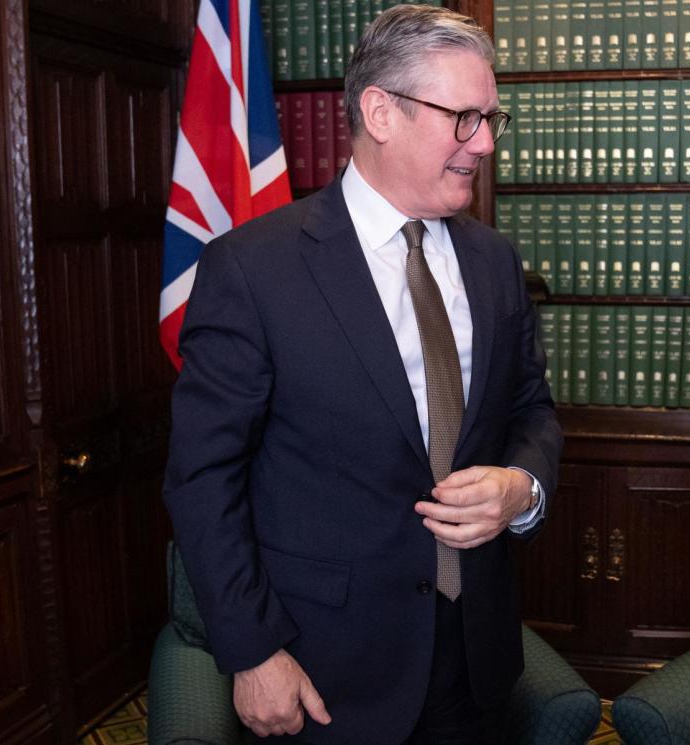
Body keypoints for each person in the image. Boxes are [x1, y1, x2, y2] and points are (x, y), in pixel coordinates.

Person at [162, 6, 562, 743]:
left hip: (475, 658)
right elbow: (202, 479)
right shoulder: (254, 269)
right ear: (381, 111)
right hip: (323, 674)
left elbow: (532, 410)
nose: (483, 144)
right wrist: (252, 651)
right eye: (463, 118)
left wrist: (521, 487)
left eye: (490, 119)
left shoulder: (494, 262)